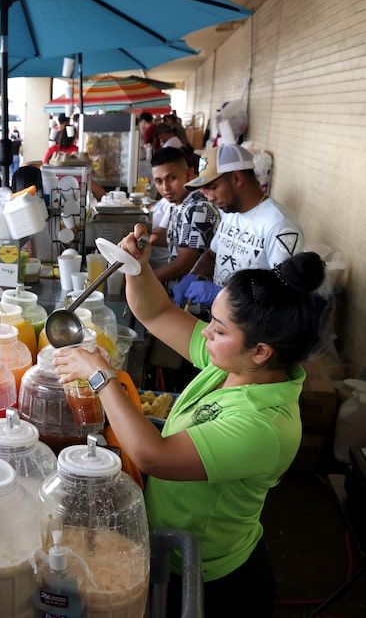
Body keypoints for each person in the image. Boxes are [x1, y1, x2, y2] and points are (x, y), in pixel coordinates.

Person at [53, 240, 325, 618]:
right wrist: (137, 268)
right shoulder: (234, 365)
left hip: (213, 580)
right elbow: (157, 311)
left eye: (218, 328)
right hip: (171, 549)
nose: (206, 333)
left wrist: (102, 379)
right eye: (210, 321)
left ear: (261, 350)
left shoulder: (265, 424)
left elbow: (153, 456)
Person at [174, 144, 304, 307]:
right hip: (224, 319)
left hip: (254, 328)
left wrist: (222, 295)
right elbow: (212, 255)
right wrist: (192, 276)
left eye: (213, 188)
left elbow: (282, 291)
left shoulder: (279, 224)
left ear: (237, 178)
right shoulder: (231, 213)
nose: (210, 198)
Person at [149, 147, 220, 286]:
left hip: (194, 300)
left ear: (189, 174)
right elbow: (178, 238)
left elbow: (183, 264)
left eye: (172, 178)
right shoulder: (180, 203)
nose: (165, 187)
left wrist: (144, 280)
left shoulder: (197, 208)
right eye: (158, 181)